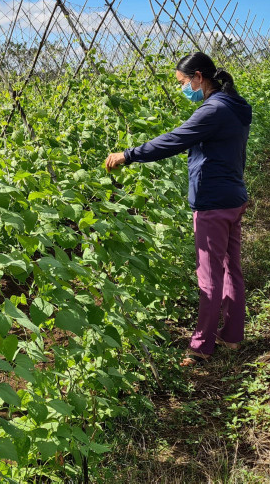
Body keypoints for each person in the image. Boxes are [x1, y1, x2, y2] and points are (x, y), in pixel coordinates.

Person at [104, 52, 253, 367]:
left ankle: (201, 346)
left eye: (184, 82)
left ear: (199, 77)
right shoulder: (234, 106)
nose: (182, 88)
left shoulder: (213, 110)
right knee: (231, 270)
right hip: (234, 197)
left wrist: (128, 155)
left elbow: (175, 140)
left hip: (213, 203)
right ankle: (233, 336)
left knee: (209, 276)